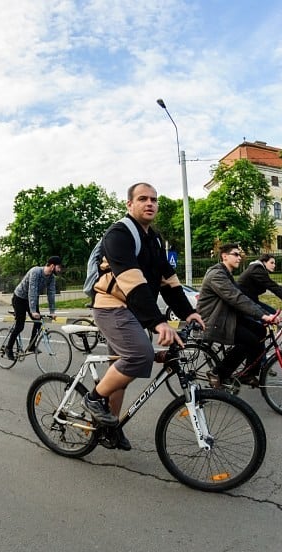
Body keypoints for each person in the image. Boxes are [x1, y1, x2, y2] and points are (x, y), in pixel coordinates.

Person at [85, 182, 203, 451]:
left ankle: (109, 425)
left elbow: (169, 281)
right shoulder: (119, 234)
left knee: (123, 367)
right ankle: (93, 399)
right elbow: (132, 282)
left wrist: (189, 312)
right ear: (130, 204)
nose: (150, 203)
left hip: (132, 309)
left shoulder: (154, 239)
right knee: (138, 355)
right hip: (111, 306)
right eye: (142, 199)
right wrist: (158, 321)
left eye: (154, 199)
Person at [197, 244, 279, 388]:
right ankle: (218, 373)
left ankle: (248, 373)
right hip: (215, 320)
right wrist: (263, 316)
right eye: (236, 254)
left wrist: (267, 314)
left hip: (227, 317)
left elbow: (245, 298)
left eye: (240, 255)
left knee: (260, 331)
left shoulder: (227, 275)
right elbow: (236, 298)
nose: (239, 257)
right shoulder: (217, 275)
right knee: (249, 341)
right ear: (224, 256)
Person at [6, 257, 63, 359]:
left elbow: (51, 294)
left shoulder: (51, 278)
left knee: (38, 322)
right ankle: (8, 348)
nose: (60, 270)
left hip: (31, 300)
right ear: (52, 266)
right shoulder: (35, 271)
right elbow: (32, 291)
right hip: (19, 298)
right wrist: (32, 311)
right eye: (59, 267)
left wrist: (52, 311)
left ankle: (31, 346)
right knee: (20, 326)